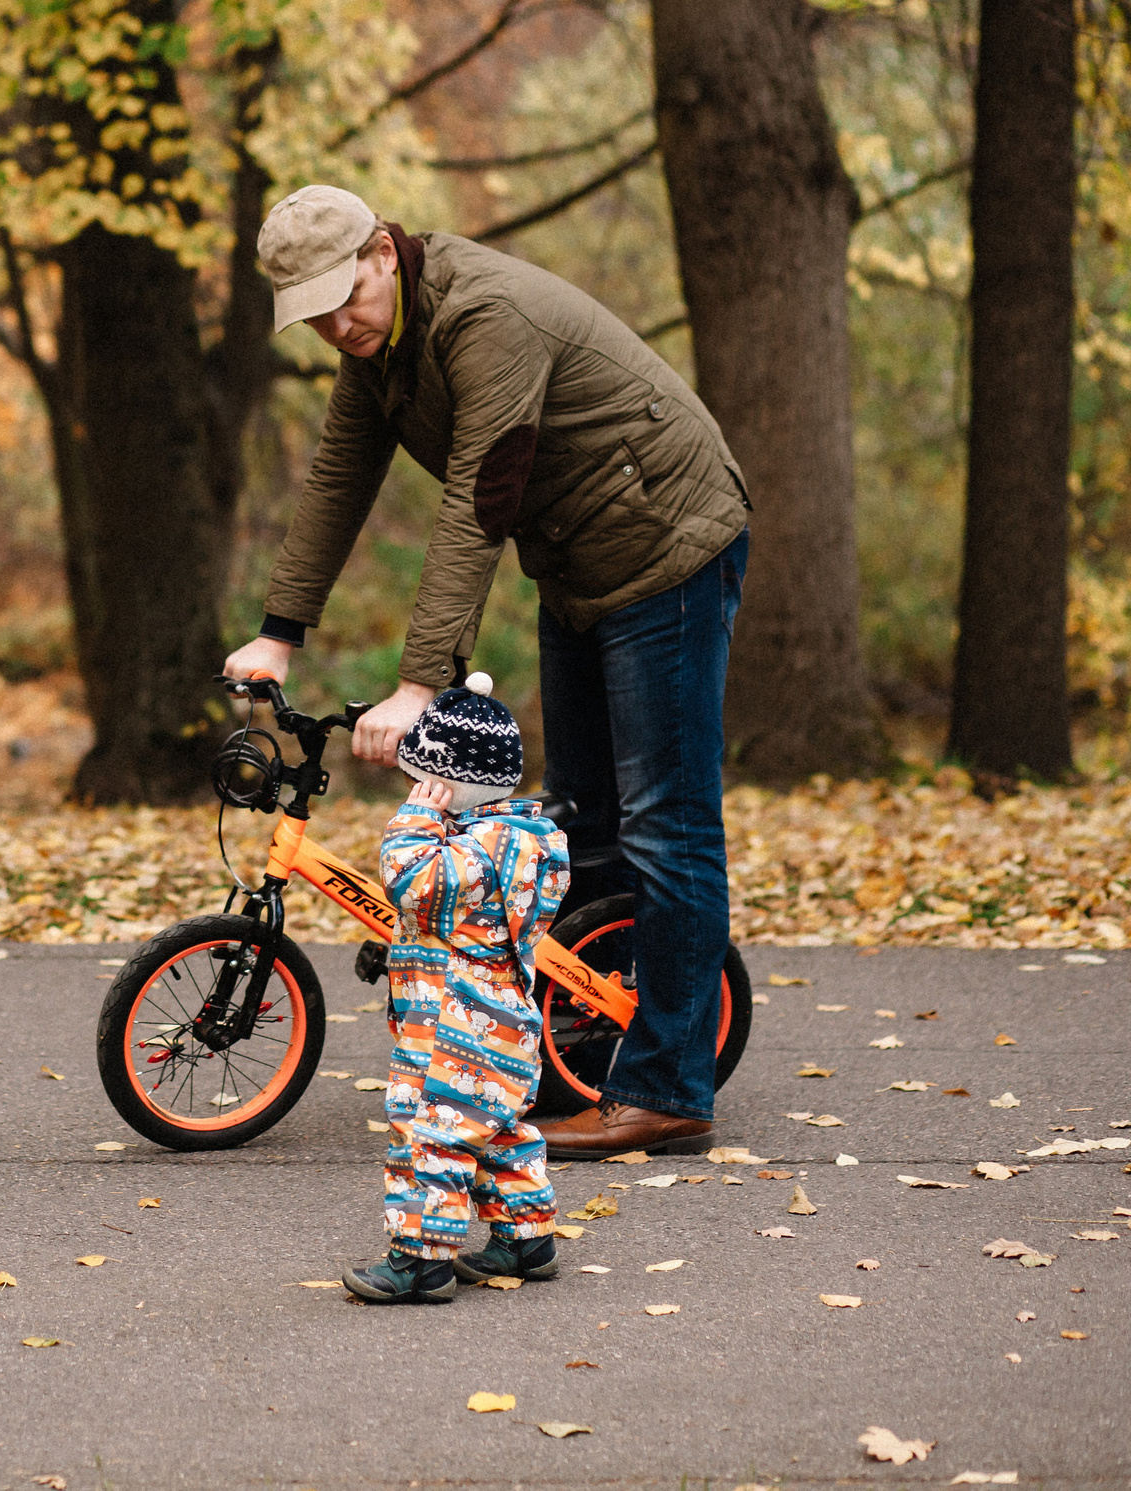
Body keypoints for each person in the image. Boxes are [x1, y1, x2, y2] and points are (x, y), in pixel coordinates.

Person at [222, 185, 749, 1157]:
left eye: (344, 298)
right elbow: (337, 479)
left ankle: (669, 1089)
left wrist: (418, 685)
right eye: (314, 316)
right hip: (579, 563)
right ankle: (577, 1046)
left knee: (664, 821)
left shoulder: (485, 318)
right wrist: (278, 632)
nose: (337, 327)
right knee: (577, 818)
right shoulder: (380, 349)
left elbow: (480, 501)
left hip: (667, 545)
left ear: (383, 254)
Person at [344, 674, 570, 1304]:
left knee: (429, 1134)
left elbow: (410, 883)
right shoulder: (525, 842)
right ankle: (527, 1240)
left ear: (445, 785)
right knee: (496, 1129)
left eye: (419, 781)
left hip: (453, 1027)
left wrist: (414, 821)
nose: (411, 792)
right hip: (503, 1019)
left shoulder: (467, 854)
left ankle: (421, 1261)